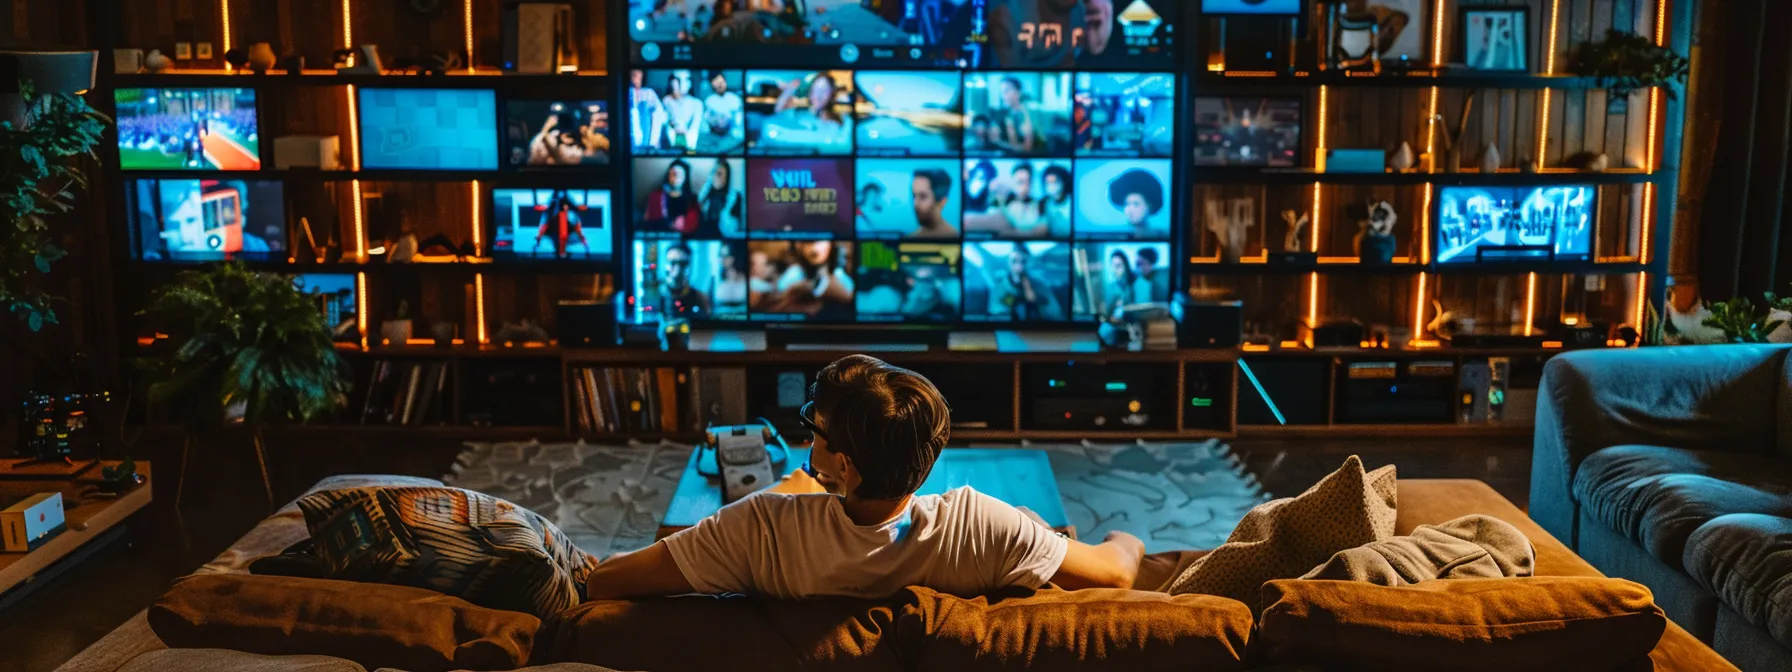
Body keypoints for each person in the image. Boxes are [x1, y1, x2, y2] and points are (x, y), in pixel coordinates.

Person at [583, 355, 1146, 601]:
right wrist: (1127, 537)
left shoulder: (759, 528)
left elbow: (605, 583)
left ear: (845, 466)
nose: (808, 438)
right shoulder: (986, 527)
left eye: (815, 428)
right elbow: (1117, 574)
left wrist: (787, 491)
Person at [765, 72, 850, 153]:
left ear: (831, 94)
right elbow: (778, 114)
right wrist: (788, 90)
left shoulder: (835, 125)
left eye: (824, 91)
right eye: (816, 90)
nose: (819, 95)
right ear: (810, 92)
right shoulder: (799, 115)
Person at [980, 244, 1063, 320]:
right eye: (1014, 261)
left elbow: (1055, 314)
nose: (1019, 267)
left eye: (1023, 262)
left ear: (1029, 263)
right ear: (1008, 263)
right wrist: (1018, 294)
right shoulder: (999, 287)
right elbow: (997, 314)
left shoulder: (1041, 287)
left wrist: (1037, 299)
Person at [774, 241, 855, 318]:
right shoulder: (794, 272)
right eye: (808, 243)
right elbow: (780, 294)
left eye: (819, 242)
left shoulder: (838, 274)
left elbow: (849, 296)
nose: (813, 248)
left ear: (831, 245)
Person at [641, 159, 702, 234]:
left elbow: (695, 224)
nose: (675, 177)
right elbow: (647, 219)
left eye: (679, 174)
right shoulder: (656, 195)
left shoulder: (692, 199)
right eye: (673, 173)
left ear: (685, 177)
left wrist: (684, 223)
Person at [659, 242, 711, 319]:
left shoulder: (701, 298)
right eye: (672, 262)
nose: (677, 268)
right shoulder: (655, 295)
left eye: (682, 263)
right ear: (665, 264)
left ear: (689, 266)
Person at [1108, 168, 1165, 237]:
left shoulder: (1161, 235)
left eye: (1136, 204)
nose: (1130, 210)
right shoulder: (1116, 236)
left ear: (1149, 206)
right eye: (1126, 204)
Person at [989, 77, 1039, 154]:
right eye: (1002, 92)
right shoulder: (1007, 114)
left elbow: (1027, 148)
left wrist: (999, 143)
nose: (1003, 96)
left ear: (1018, 92)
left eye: (1006, 91)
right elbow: (1013, 143)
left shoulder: (1028, 112)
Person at [696, 160, 744, 237]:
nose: (715, 176)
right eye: (713, 172)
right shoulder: (706, 193)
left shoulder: (734, 197)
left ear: (727, 176)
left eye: (719, 174)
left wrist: (725, 213)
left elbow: (734, 228)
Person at [700, 71, 743, 152]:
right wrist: (715, 120)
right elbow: (706, 121)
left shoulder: (735, 99)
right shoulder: (709, 101)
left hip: (731, 136)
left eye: (722, 82)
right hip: (713, 136)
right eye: (716, 82)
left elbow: (739, 121)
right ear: (712, 84)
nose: (720, 85)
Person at [661, 71, 704, 152]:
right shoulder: (667, 101)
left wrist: (686, 135)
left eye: (686, 80)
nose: (682, 83)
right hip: (670, 144)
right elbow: (665, 121)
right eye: (677, 80)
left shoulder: (697, 103)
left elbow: (695, 126)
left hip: (690, 144)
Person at [909, 168, 957, 238]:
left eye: (923, 196)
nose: (915, 204)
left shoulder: (954, 236)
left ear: (942, 202)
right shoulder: (911, 238)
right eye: (914, 196)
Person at [1001, 163, 1047, 236]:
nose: (1025, 187)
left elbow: (1042, 230)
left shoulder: (1040, 205)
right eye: (1020, 182)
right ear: (1012, 182)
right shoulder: (1004, 205)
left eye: (1028, 182)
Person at [629, 70, 667, 150]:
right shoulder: (626, 92)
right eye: (633, 75)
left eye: (638, 76)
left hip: (647, 136)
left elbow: (661, 114)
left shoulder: (648, 93)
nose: (636, 78)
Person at [1041, 164, 1073, 236]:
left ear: (1063, 181)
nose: (1051, 186)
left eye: (1055, 181)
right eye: (1048, 183)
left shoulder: (1072, 202)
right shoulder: (1045, 204)